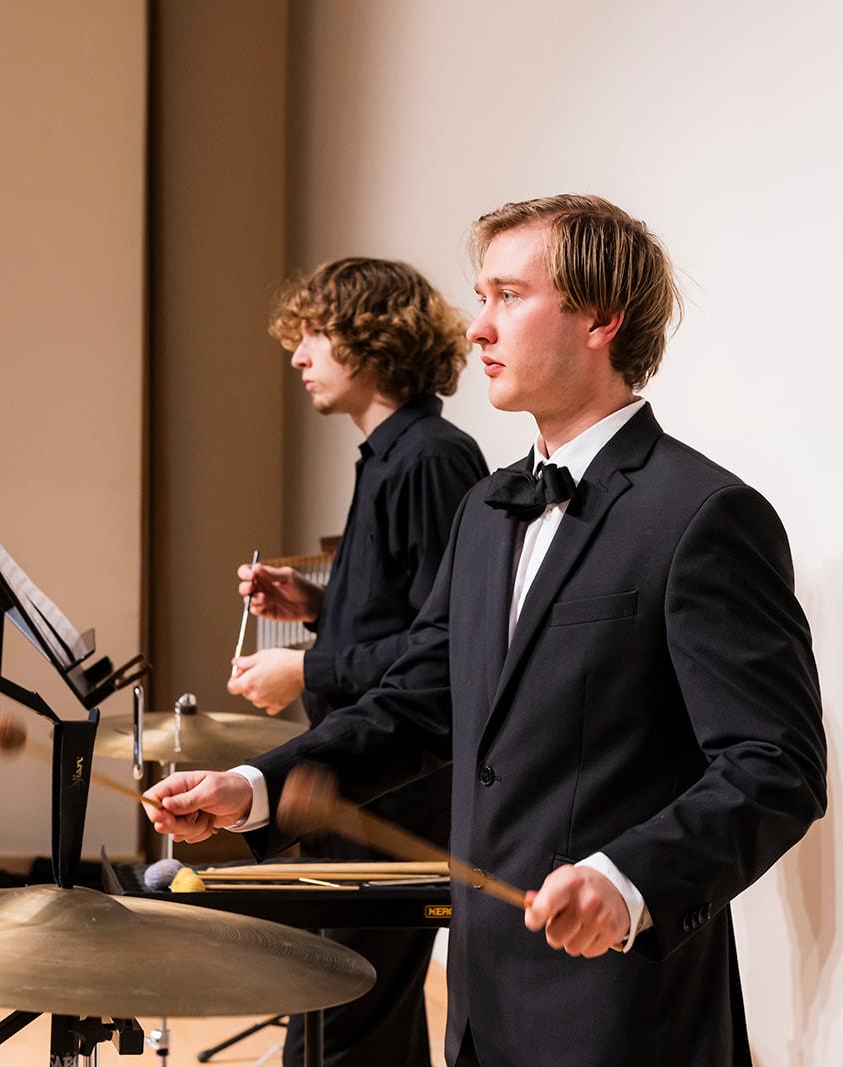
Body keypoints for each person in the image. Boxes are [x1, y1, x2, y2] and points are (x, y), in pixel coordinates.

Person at [145, 195, 828, 1067]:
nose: (477, 329)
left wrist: (628, 880)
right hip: (482, 1002)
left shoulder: (702, 515)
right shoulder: (484, 510)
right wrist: (257, 784)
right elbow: (420, 701)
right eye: (482, 297)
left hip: (624, 1014)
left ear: (602, 318)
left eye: (509, 295)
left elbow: (775, 765)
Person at [226, 257, 488, 1067]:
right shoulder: (385, 455)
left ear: (373, 343)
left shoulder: (432, 459)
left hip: (399, 783)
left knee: (344, 1025)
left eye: (315, 335)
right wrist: (311, 606)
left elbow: (446, 647)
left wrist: (309, 669)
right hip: (358, 778)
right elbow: (404, 609)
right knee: (353, 1016)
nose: (299, 355)